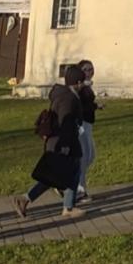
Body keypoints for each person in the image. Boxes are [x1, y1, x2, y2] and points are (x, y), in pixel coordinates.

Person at [15, 64, 85, 219]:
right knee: (72, 173)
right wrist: (65, 145)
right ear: (78, 82)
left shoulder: (62, 94)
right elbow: (66, 122)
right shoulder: (69, 99)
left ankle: (25, 199)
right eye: (82, 82)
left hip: (57, 141)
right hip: (64, 142)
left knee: (53, 176)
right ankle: (68, 207)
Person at [76, 59, 102, 202]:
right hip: (82, 124)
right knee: (84, 157)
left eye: (91, 69)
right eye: (85, 69)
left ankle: (72, 182)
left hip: (88, 123)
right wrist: (94, 106)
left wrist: (96, 106)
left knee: (90, 156)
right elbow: (81, 106)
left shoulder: (88, 86)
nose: (89, 72)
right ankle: (79, 191)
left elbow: (88, 103)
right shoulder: (80, 87)